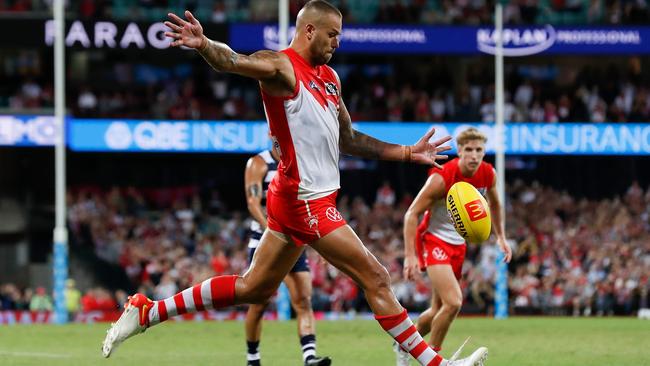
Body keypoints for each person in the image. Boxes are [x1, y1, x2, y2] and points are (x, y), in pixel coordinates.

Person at [102, 2, 487, 365]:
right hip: (306, 201)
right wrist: (204, 44)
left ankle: (148, 310)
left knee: (252, 288)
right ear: (309, 30)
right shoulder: (281, 67)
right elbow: (234, 61)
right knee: (377, 279)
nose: (338, 42)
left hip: (298, 197)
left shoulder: (330, 78)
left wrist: (406, 153)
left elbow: (348, 139)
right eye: (332, 35)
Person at [395, 128, 512, 366]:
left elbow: (496, 204)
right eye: (468, 150)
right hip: (434, 240)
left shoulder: (488, 174)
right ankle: (435, 359)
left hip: (459, 246)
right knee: (454, 302)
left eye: (479, 150)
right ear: (459, 151)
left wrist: (501, 236)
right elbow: (411, 214)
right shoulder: (442, 176)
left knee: (437, 308)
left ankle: (403, 343)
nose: (474, 155)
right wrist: (410, 256)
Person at [243, 148, 330, 366]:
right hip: (263, 241)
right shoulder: (258, 163)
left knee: (303, 300)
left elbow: (310, 205)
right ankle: (253, 358)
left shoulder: (300, 163)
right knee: (258, 303)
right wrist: (273, 231)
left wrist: (322, 243)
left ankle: (309, 357)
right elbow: (253, 203)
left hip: (293, 243)